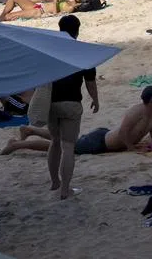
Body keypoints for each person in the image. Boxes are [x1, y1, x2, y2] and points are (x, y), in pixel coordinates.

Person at [1, 87, 152, 156]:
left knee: (67, 141)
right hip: (99, 142)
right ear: (151, 99)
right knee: (62, 147)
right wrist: (130, 148)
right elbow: (123, 131)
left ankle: (30, 131)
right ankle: (16, 145)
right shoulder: (137, 111)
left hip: (104, 139)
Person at [47, 15, 99, 200]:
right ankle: (65, 190)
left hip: (51, 103)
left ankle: (54, 182)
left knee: (54, 142)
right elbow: (90, 82)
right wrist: (95, 99)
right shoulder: (82, 51)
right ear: (78, 30)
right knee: (68, 146)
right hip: (71, 103)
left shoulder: (49, 50)